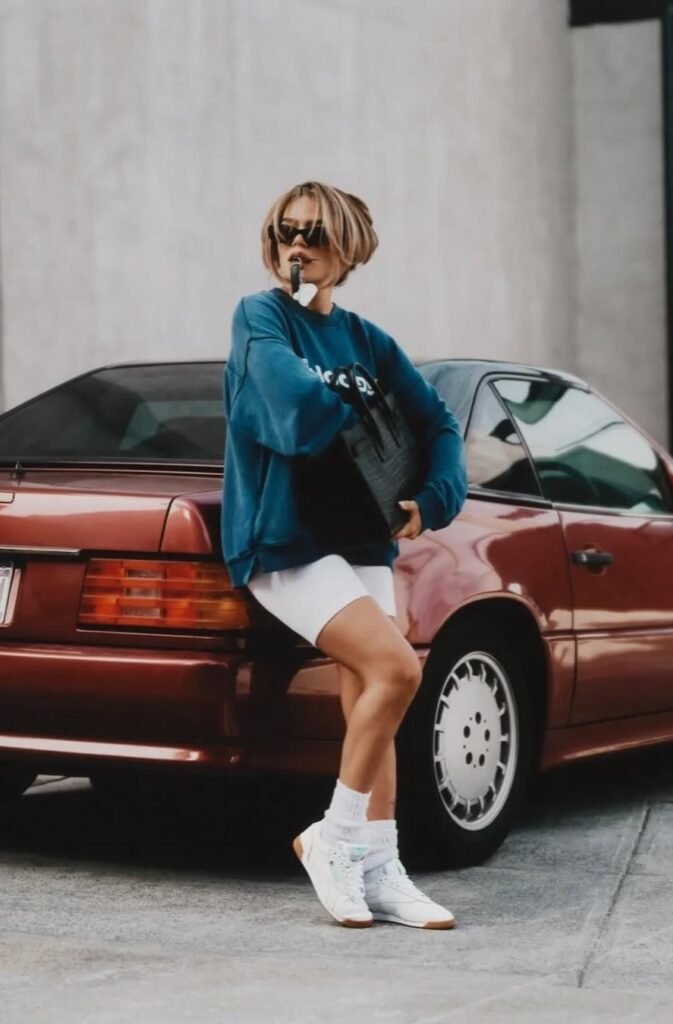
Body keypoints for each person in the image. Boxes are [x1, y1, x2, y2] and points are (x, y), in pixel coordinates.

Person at [222, 181, 467, 929]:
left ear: (348, 248)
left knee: (372, 696)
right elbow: (292, 405)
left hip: (360, 539)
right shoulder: (261, 316)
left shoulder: (367, 340)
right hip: (284, 538)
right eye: (286, 231)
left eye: (315, 234)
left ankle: (381, 866)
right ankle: (332, 837)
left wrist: (433, 497)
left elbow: (438, 423)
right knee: (398, 669)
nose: (297, 245)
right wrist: (368, 419)